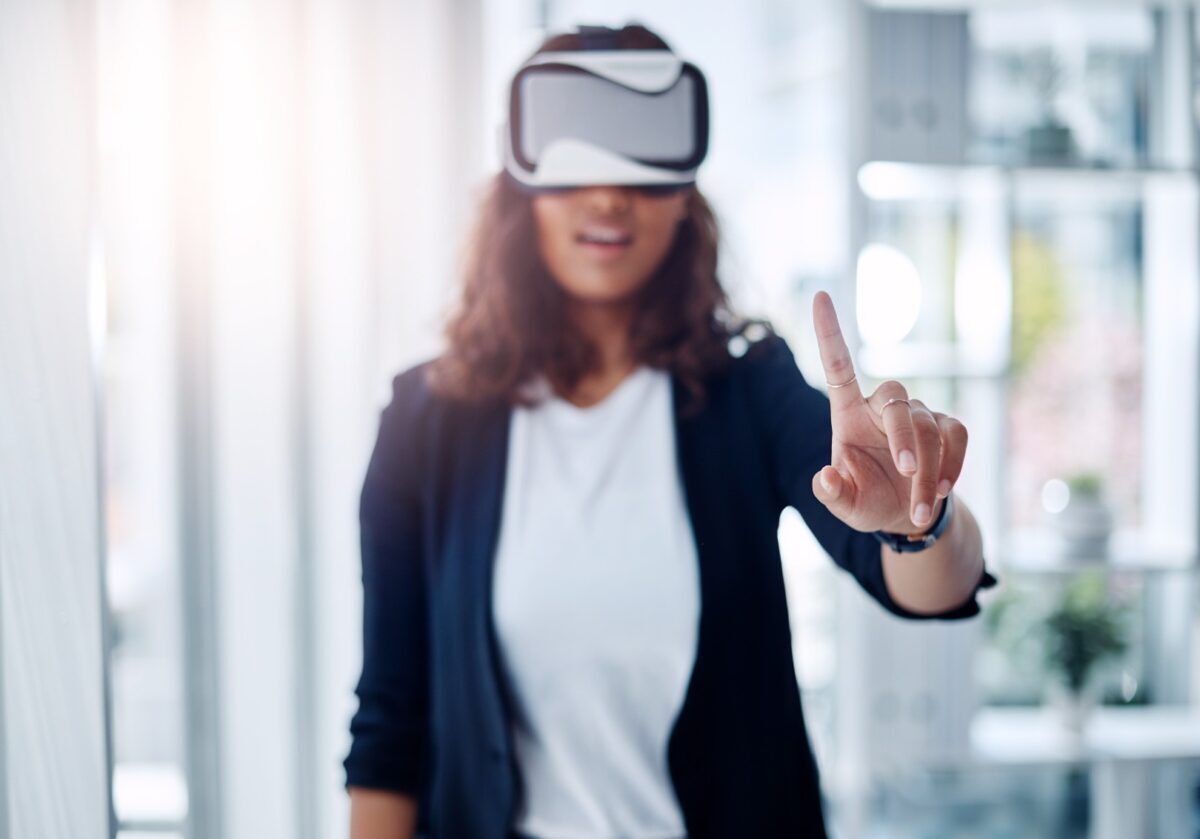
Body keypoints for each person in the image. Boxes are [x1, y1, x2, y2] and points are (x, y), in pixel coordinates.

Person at [344, 22, 996, 839]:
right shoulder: (425, 424)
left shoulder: (747, 389)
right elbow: (391, 720)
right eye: (581, 154)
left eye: (643, 159)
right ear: (523, 185)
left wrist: (919, 516)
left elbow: (930, 583)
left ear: (686, 192)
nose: (611, 195)